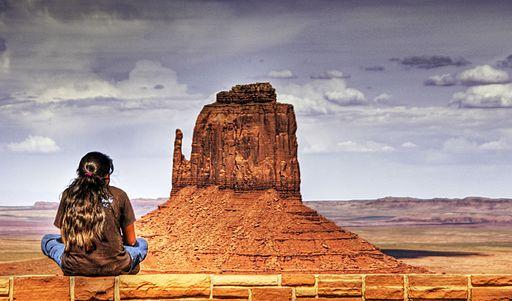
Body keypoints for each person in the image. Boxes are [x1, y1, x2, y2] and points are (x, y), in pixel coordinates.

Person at [41, 151, 148, 276]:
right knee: (142, 244)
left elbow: (65, 238)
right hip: (116, 265)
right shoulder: (119, 195)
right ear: (106, 176)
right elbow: (131, 241)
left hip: (75, 266)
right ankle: (128, 266)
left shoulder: (69, 195)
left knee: (47, 240)